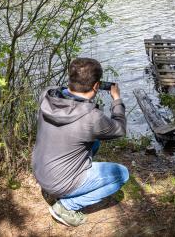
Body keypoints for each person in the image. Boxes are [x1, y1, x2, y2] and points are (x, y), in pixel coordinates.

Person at [32, 57, 129, 227]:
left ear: (71, 79)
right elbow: (119, 129)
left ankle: (59, 189)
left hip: (41, 171)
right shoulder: (91, 117)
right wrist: (116, 100)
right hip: (59, 182)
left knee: (94, 142)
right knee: (122, 174)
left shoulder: (46, 95)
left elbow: (65, 93)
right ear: (96, 86)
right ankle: (66, 206)